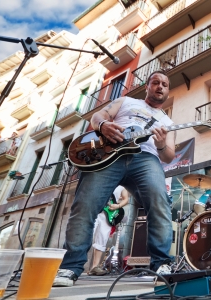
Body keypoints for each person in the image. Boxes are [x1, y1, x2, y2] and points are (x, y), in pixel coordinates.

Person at [53, 70, 176, 287]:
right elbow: (97, 117)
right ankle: (70, 267)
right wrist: (103, 126)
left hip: (145, 158)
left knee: (160, 203)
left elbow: (168, 155)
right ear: (147, 86)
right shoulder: (126, 101)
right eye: (155, 82)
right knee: (85, 205)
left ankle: (162, 265)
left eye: (164, 84)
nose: (160, 86)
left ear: (167, 91)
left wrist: (160, 144)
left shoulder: (166, 120)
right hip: (108, 155)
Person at [89, 186, 129, 276]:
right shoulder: (100, 179)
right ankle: (73, 265)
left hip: (108, 215)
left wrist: (118, 206)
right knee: (86, 235)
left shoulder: (121, 186)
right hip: (94, 210)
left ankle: (94, 267)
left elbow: (126, 199)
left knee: (102, 239)